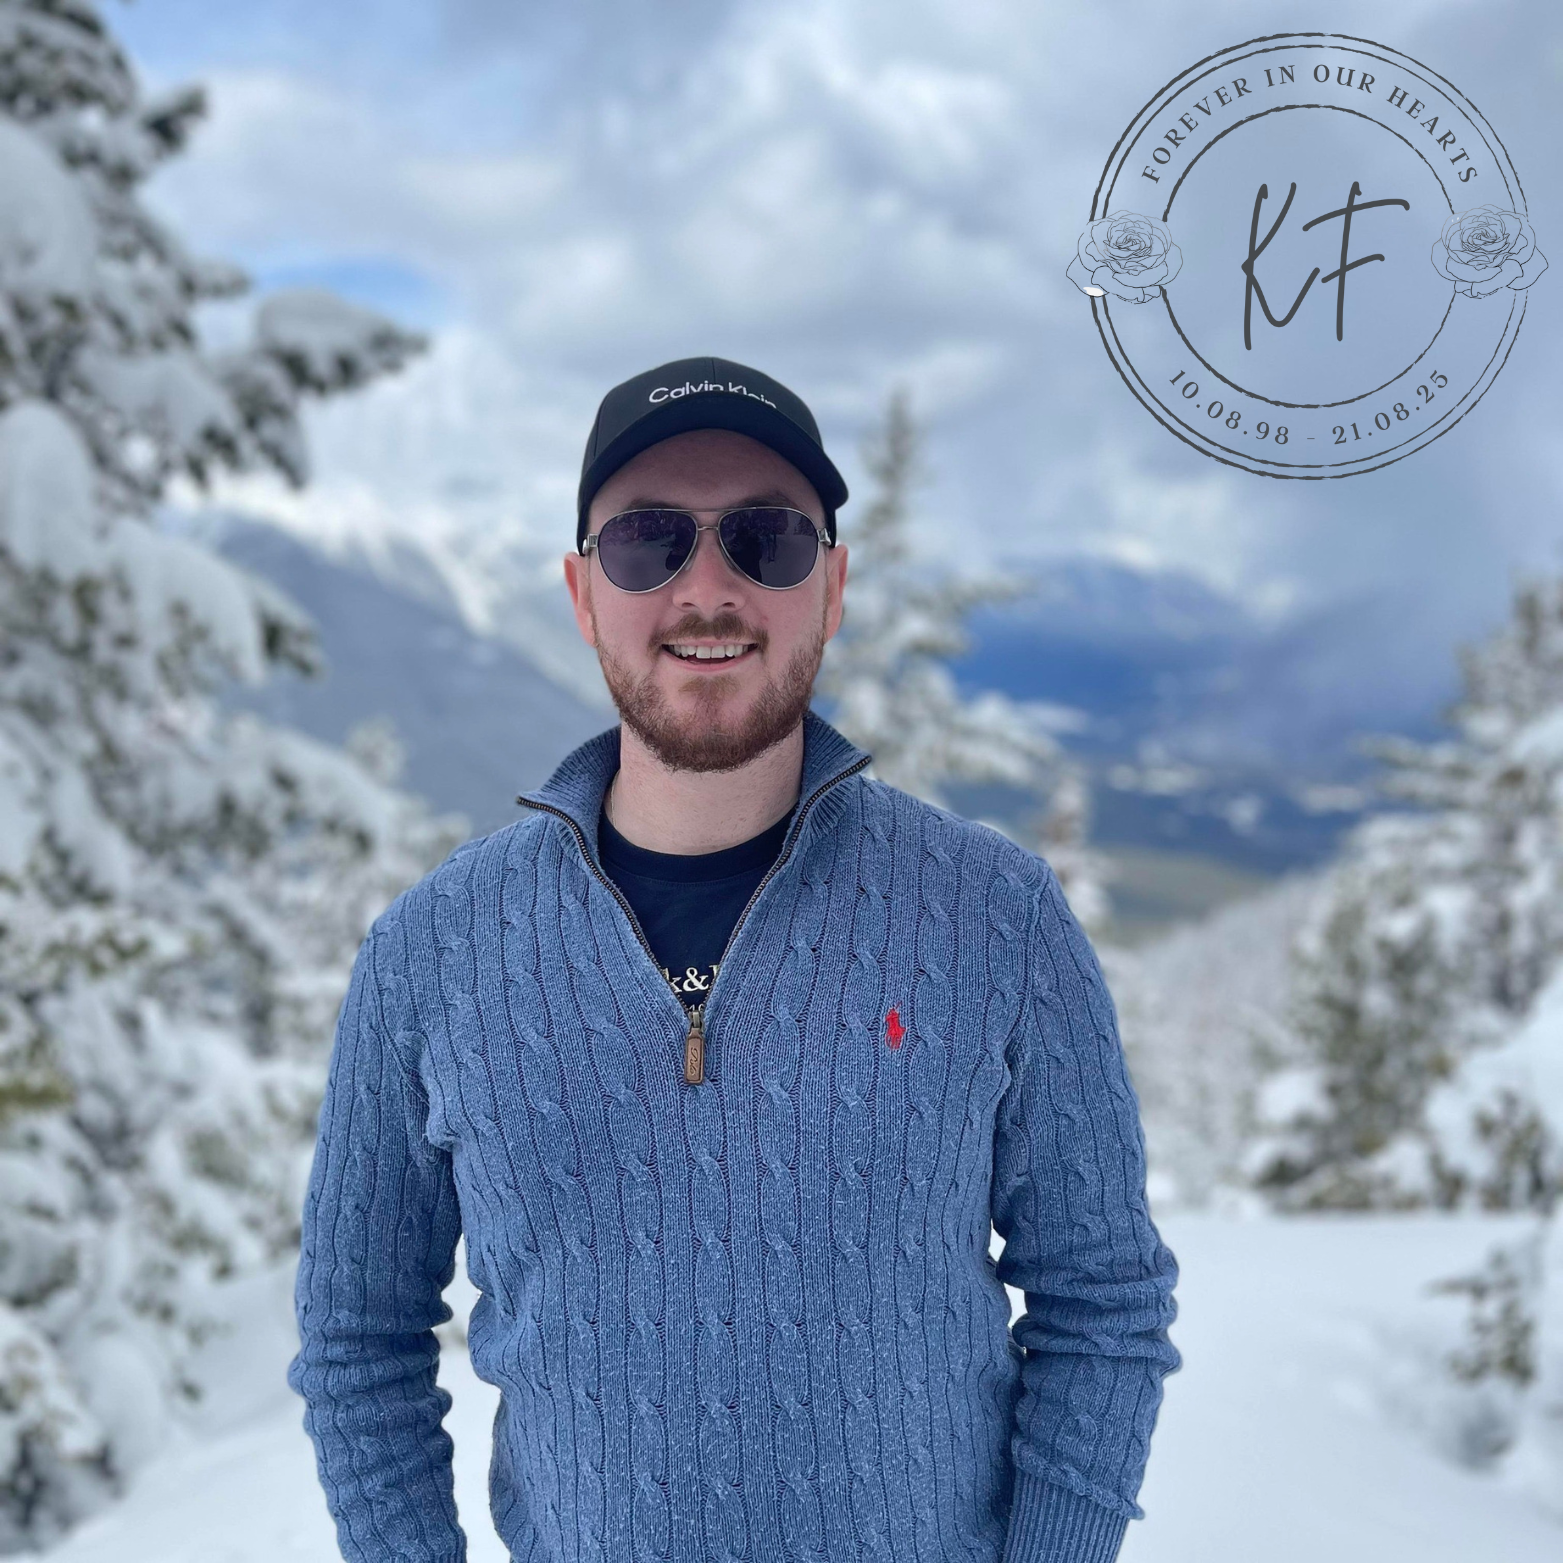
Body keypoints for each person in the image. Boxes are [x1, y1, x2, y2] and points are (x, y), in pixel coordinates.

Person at [288, 356, 1182, 1563]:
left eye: (767, 539)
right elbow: (357, 1341)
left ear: (834, 585)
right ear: (581, 592)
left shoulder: (995, 918)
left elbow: (1103, 1305)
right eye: (647, 542)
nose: (707, 588)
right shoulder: (432, 952)